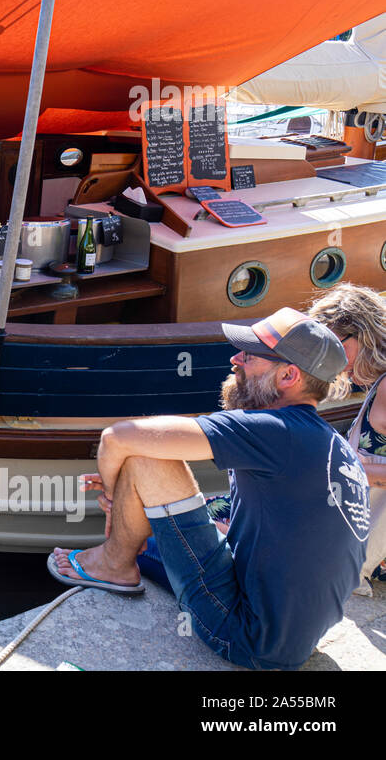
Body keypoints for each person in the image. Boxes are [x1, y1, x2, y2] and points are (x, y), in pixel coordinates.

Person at [47, 307, 369, 670]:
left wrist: (112, 490)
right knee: (152, 538)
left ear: (288, 375)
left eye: (248, 355)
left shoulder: (274, 429)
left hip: (249, 638)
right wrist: (130, 496)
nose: (235, 360)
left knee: (144, 458)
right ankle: (126, 543)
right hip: (297, 632)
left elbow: (116, 439)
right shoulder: (328, 442)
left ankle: (113, 565)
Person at [308, 283, 386, 595]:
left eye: (334, 347)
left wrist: (355, 469)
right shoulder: (378, 385)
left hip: (363, 550)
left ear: (364, 336)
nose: (331, 362)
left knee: (220, 515)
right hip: (352, 536)